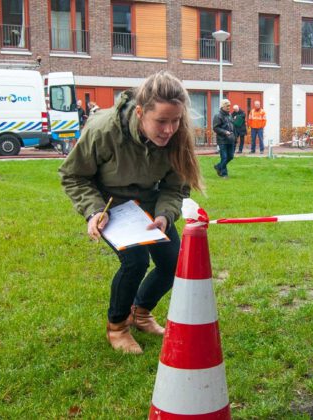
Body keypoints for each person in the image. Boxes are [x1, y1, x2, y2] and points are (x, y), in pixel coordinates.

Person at [58, 71, 204, 354]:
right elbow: (73, 176)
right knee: (135, 261)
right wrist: (94, 211)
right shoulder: (103, 130)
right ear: (140, 112)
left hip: (149, 206)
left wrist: (165, 215)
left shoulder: (178, 134)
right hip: (111, 206)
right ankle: (117, 326)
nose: (169, 129)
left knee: (174, 262)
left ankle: (140, 312)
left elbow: (176, 186)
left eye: (176, 120)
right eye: (161, 121)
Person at [212, 99, 235, 178]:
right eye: (227, 106)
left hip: (231, 139)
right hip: (222, 140)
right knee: (224, 157)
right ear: (222, 106)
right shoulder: (217, 116)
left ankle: (218, 166)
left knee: (231, 156)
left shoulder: (230, 115)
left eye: (229, 106)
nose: (229, 107)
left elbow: (232, 126)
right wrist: (225, 132)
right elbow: (215, 128)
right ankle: (224, 174)